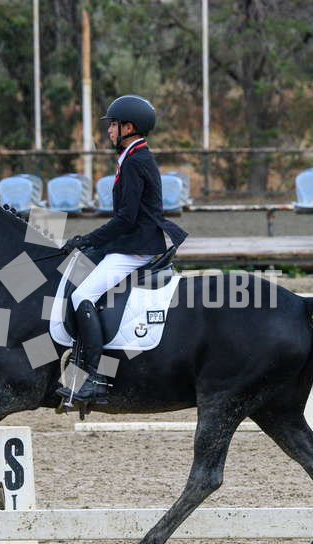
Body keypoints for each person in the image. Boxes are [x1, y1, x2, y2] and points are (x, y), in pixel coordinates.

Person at [57, 94, 188, 403]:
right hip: (130, 242)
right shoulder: (134, 156)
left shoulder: (135, 161)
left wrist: (87, 239)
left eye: (113, 124)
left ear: (129, 127)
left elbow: (125, 218)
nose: (109, 130)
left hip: (135, 247)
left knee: (81, 296)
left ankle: (96, 377)